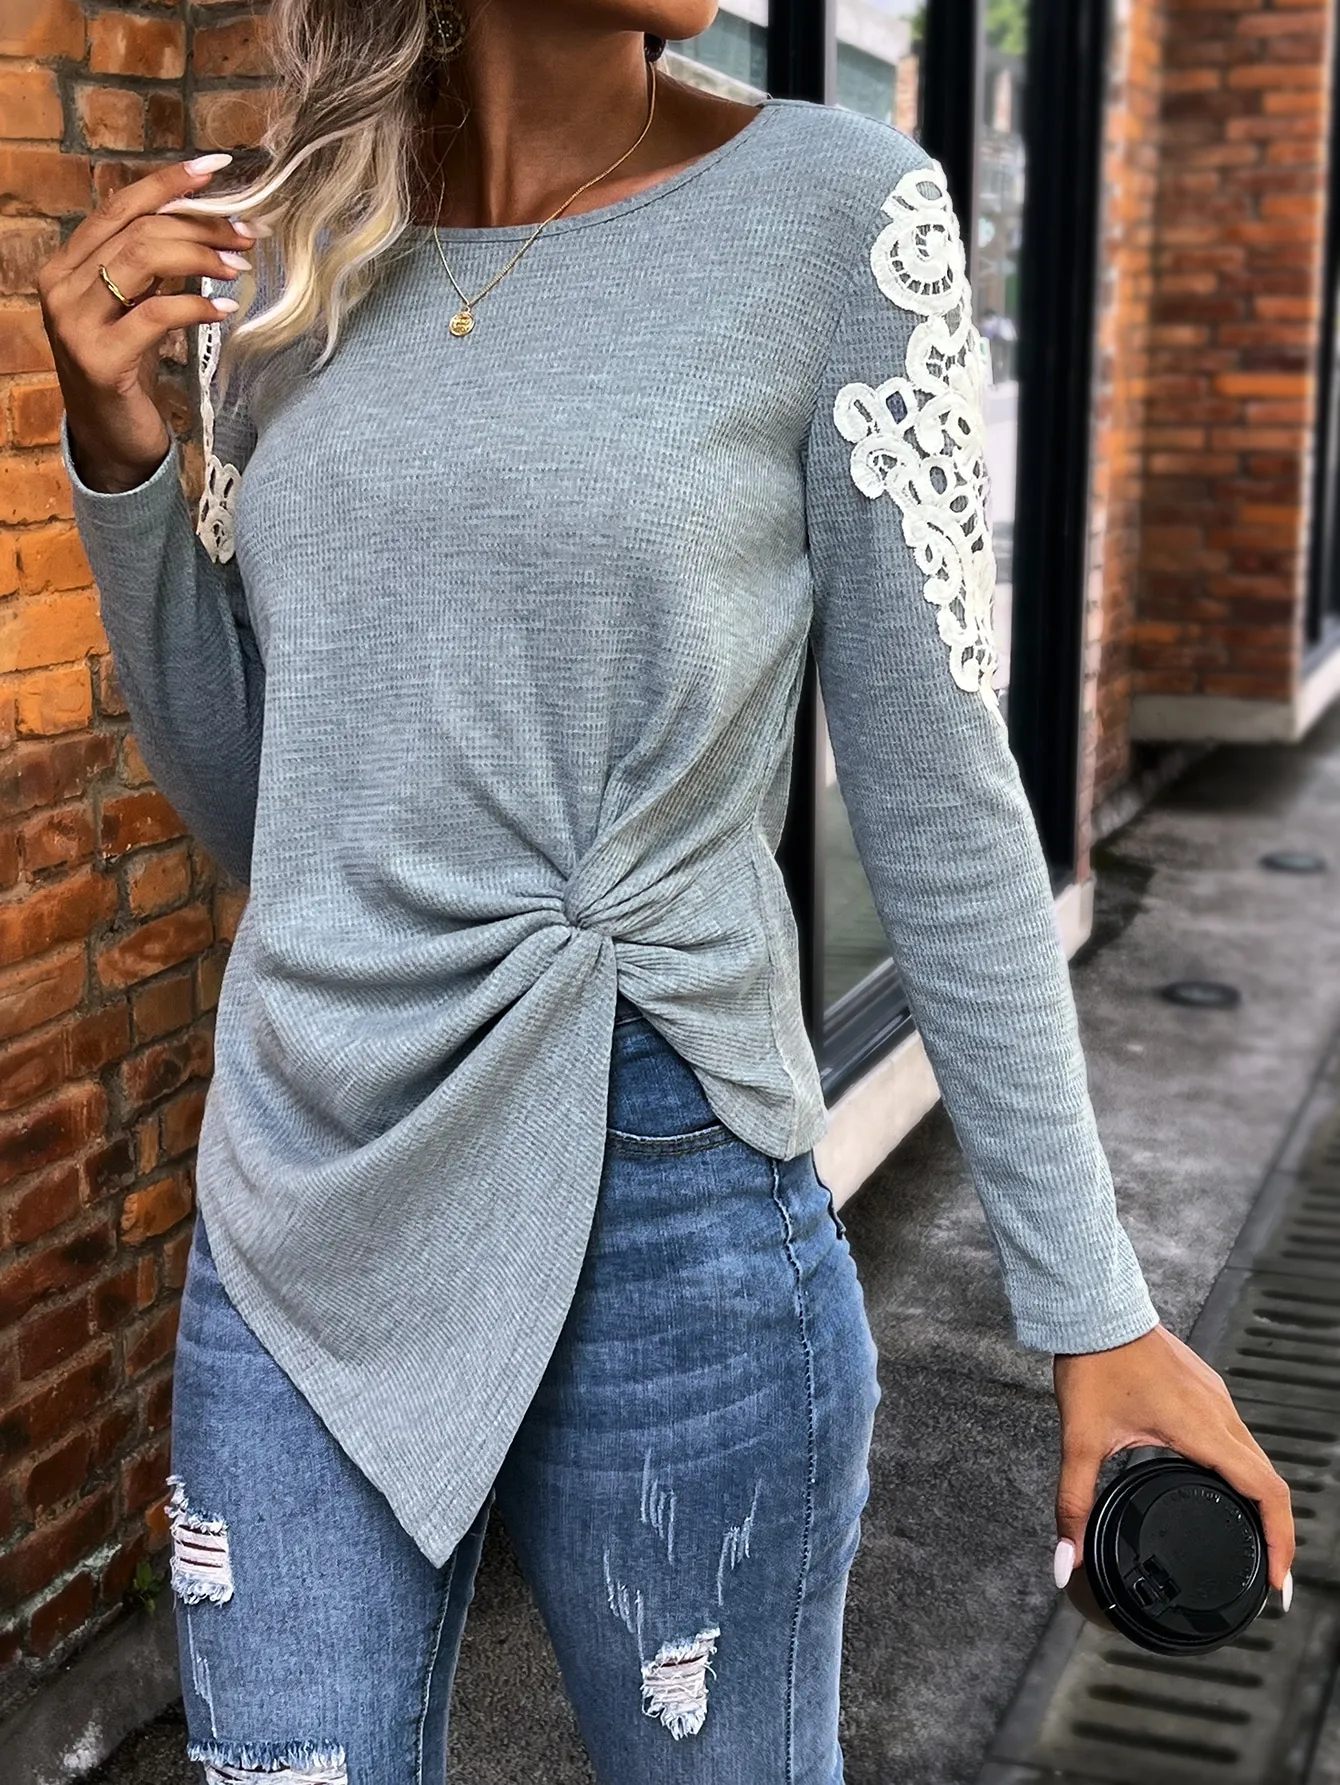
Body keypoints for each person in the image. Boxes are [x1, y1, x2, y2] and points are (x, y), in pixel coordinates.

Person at [39, 3, 1294, 1780]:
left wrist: (1094, 1304)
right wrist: (123, 460)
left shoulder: (836, 215)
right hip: (307, 1178)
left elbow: (941, 804)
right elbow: (275, 810)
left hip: (669, 1181)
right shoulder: (282, 252)